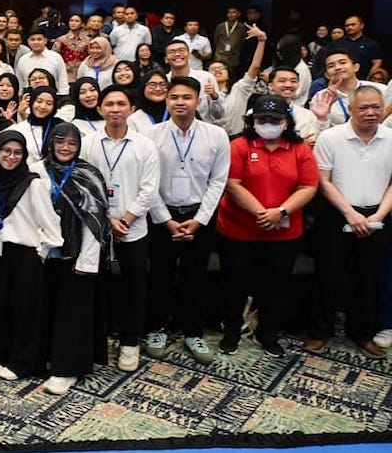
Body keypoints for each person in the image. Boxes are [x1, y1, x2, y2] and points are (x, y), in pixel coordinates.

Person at [217, 96, 318, 357]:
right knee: (235, 283)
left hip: (284, 233)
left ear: (286, 122)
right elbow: (232, 184)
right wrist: (262, 213)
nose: (268, 124)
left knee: (276, 285)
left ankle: (268, 333)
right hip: (239, 230)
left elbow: (308, 186)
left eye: (275, 120)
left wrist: (280, 212)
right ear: (252, 121)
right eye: (262, 119)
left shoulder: (300, 149)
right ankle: (231, 332)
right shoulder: (239, 145)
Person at [143, 77, 230, 364]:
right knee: (160, 275)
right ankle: (157, 328)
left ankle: (193, 332)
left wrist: (200, 220)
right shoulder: (151, 135)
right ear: (167, 101)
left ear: (198, 101)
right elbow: (148, 183)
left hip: (199, 217)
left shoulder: (216, 135)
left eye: (187, 97)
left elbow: (218, 181)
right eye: (174, 97)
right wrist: (166, 220)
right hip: (161, 217)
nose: (180, 102)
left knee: (196, 277)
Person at [304, 86, 392, 358]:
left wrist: (379, 215)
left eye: (376, 107)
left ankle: (362, 333)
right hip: (336, 215)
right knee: (328, 274)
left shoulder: (391, 137)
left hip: (377, 215)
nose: (371, 112)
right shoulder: (331, 137)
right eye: (363, 107)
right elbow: (323, 181)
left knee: (369, 276)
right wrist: (349, 213)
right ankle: (320, 331)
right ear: (351, 109)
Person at [81, 85, 160, 372]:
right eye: (109, 104)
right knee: (97, 284)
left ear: (131, 108)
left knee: (135, 285)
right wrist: (105, 220)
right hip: (96, 228)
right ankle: (99, 336)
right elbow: (83, 185)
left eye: (121, 104)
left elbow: (149, 190)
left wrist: (124, 220)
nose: (115, 109)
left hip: (133, 229)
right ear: (100, 109)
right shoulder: (89, 143)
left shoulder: (144, 145)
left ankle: (130, 341)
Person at [34, 123, 111, 395]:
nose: (65, 148)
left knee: (72, 313)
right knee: (44, 309)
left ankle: (68, 369)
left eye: (72, 143)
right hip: (44, 254)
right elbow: (29, 213)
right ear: (50, 143)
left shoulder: (89, 174)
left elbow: (96, 222)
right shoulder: (37, 170)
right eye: (60, 141)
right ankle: (47, 357)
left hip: (77, 256)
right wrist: (38, 251)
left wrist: (86, 262)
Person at [0, 130, 63, 382]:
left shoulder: (33, 183)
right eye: (6, 151)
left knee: (25, 310)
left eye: (18, 152)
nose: (11, 156)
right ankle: (1, 354)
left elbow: (51, 224)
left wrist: (41, 252)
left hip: (26, 254)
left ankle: (24, 362)